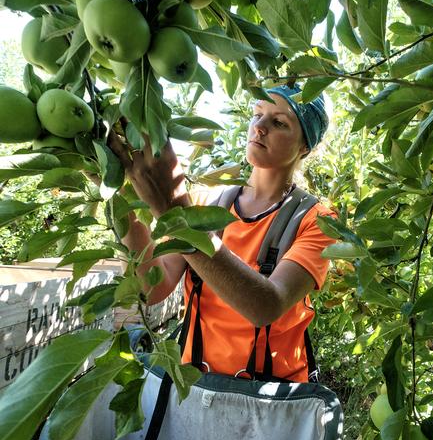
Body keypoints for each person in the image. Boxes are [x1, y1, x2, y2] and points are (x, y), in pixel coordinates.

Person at [107, 85, 337, 383]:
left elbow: (266, 305)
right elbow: (150, 289)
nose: (260, 127)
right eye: (258, 115)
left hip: (271, 400)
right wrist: (121, 195)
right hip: (197, 388)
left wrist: (176, 216)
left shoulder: (316, 220)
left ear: (305, 146)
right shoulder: (205, 203)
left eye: (279, 122)